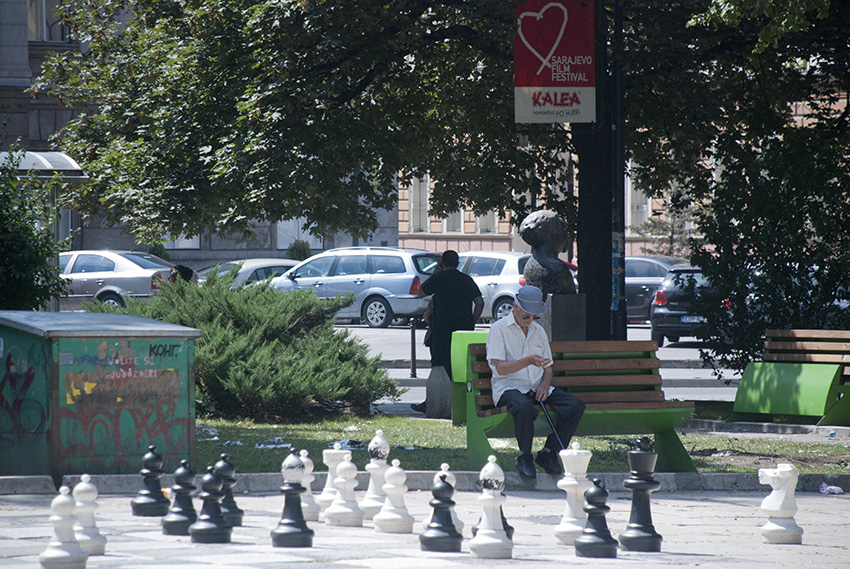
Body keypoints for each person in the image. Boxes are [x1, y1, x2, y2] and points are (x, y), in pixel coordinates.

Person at [485, 285, 585, 478]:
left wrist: (545, 385)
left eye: (534, 317)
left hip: (536, 385)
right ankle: (524, 456)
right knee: (523, 406)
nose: (530, 320)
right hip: (509, 385)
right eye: (526, 316)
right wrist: (528, 360)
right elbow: (500, 368)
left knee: (575, 405)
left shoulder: (537, 330)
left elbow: (548, 367)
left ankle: (549, 453)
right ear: (515, 306)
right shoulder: (498, 330)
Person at [410, 250, 484, 414]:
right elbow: (480, 302)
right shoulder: (466, 280)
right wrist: (472, 321)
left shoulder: (439, 279)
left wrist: (434, 274)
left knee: (439, 366)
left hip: (442, 330)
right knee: (462, 367)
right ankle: (461, 403)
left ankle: (433, 402)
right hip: (464, 330)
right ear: (458, 263)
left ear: (442, 263)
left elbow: (420, 292)